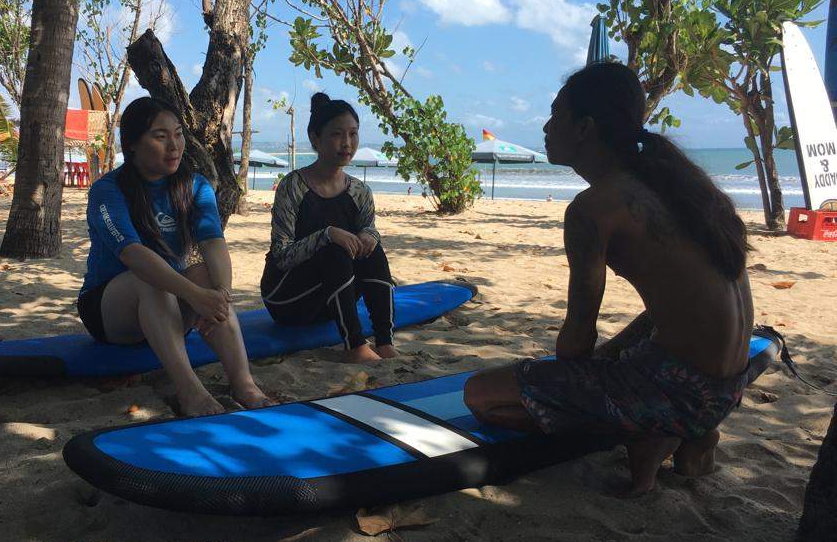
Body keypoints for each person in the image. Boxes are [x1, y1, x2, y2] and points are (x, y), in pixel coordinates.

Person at [463, 62, 754, 496]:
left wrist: (567, 385)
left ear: (584, 127)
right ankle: (689, 435)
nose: (544, 126)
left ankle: (649, 431)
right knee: (619, 350)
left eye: (555, 114)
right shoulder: (676, 185)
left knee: (481, 395)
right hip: (730, 385)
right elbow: (675, 309)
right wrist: (611, 358)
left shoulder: (594, 208)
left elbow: (576, 342)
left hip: (679, 393)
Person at [77, 96, 272, 416]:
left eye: (179, 134)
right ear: (133, 145)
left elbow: (213, 243)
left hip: (170, 307)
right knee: (152, 281)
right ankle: (190, 391)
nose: (174, 145)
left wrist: (219, 296)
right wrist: (196, 296)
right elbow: (132, 254)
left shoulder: (194, 186)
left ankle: (243, 382)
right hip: (111, 311)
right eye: (160, 136)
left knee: (205, 276)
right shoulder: (108, 190)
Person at [261, 92, 397, 363]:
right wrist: (326, 235)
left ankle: (384, 341)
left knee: (373, 249)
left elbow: (369, 228)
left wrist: (369, 236)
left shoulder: (359, 191)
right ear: (315, 138)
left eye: (353, 134)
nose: (347, 143)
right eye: (337, 134)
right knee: (335, 250)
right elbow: (282, 256)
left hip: (332, 299)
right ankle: (355, 346)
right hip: (288, 299)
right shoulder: (293, 186)